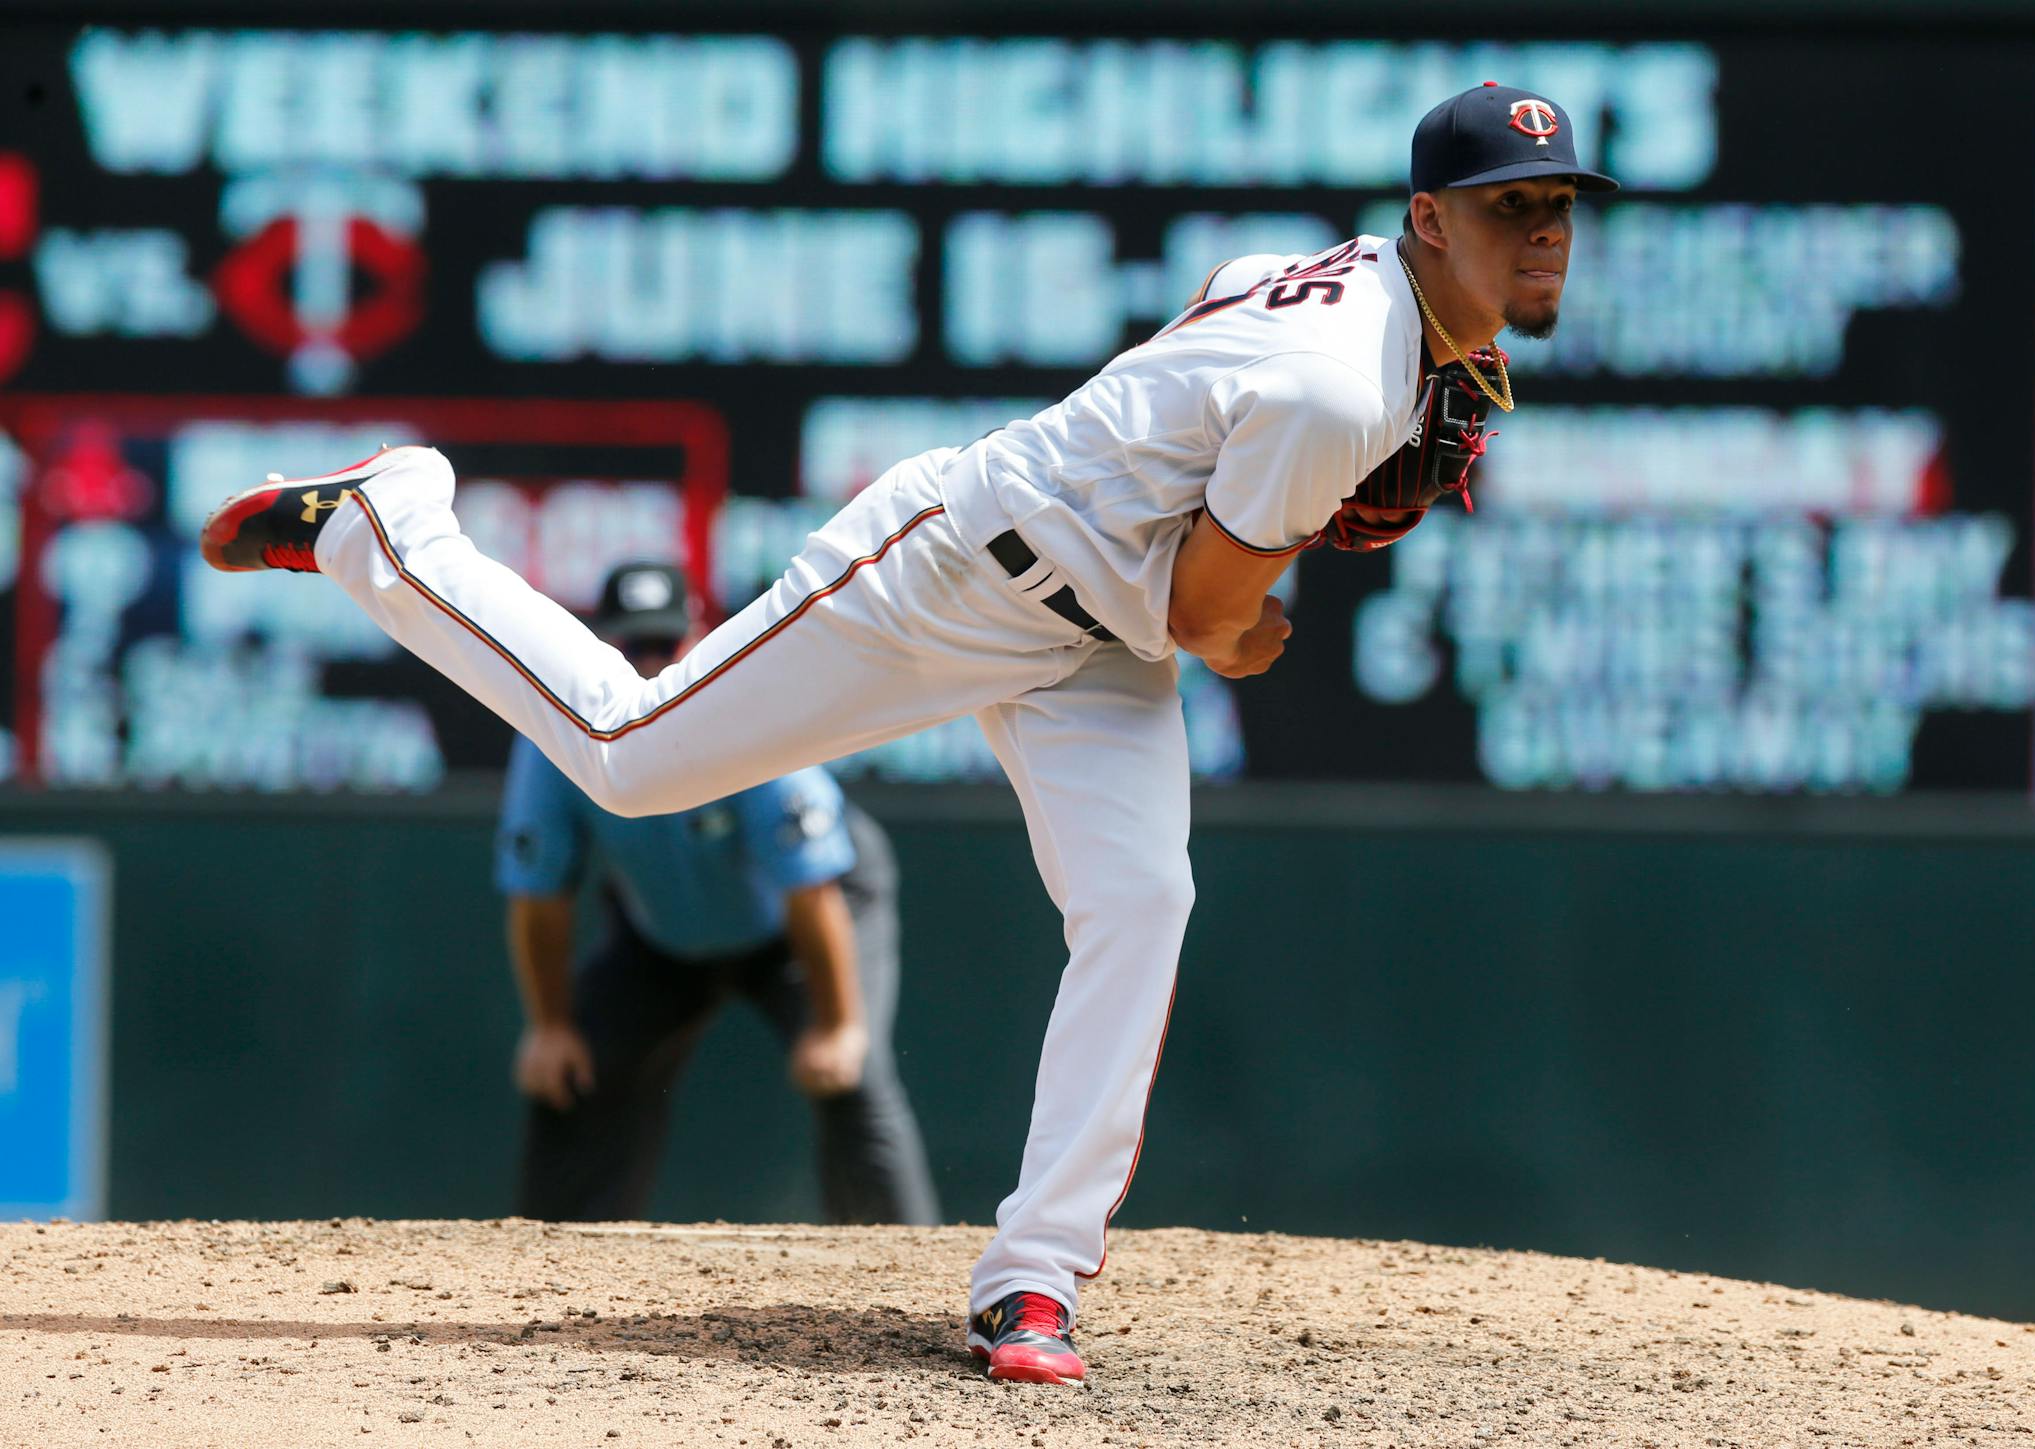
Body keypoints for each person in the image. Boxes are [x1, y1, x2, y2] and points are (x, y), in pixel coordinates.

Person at [199, 82, 1611, 1385]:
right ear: (1430, 219)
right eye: (1508, 206)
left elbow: (1216, 329)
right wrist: (1259, 613)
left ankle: (1035, 1278)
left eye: (1556, 207)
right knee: (631, 760)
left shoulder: (1355, 289)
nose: (1541, 232)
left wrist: (1211, 507)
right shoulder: (1340, 389)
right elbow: (1206, 617)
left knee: (1141, 898)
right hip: (949, 572)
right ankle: (396, 522)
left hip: (1088, 633)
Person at [497, 561, 939, 1228]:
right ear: (597, 647)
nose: (646, 664)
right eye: (629, 646)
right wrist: (551, 1026)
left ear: (696, 639)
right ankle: (542, 1272)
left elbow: (810, 885)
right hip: (662, 933)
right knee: (571, 1070)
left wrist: (839, 1027)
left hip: (804, 918)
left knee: (855, 1073)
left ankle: (906, 1274)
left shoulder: (741, 714)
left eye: (663, 645)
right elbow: (540, 898)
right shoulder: (555, 741)